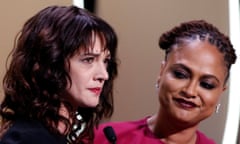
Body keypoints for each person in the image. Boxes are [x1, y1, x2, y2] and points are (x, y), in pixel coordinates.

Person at [94, 20, 237, 144]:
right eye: (180, 74)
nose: (190, 91)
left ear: (221, 92)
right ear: (162, 72)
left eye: (206, 85)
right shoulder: (105, 138)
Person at [0, 5, 118, 144]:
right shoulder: (27, 139)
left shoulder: (59, 135)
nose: (104, 75)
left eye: (105, 61)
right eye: (88, 60)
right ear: (50, 63)